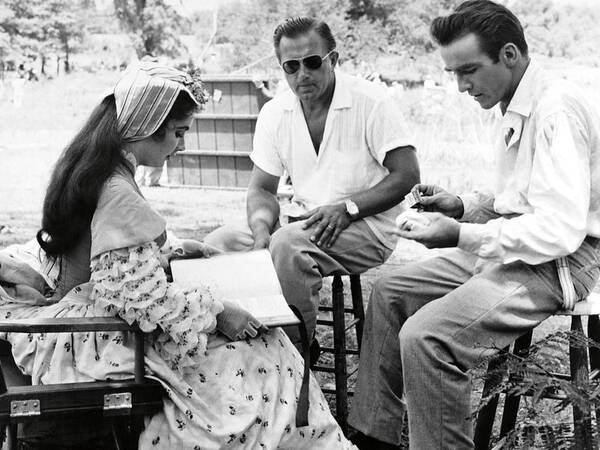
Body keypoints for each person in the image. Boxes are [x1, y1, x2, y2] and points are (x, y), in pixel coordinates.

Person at [0, 62, 358, 449]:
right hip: (101, 334)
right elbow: (138, 299)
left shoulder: (94, 166)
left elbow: (111, 258)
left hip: (88, 314)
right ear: (146, 125)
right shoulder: (116, 189)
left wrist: (169, 253)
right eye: (178, 132)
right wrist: (220, 311)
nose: (182, 145)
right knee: (268, 351)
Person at [348, 1, 600, 449]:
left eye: (468, 70)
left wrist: (461, 235)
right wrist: (461, 205)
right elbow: (518, 201)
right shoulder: (515, 102)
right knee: (390, 292)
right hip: (520, 246)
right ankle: (373, 436)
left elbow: (560, 229)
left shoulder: (555, 110)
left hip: (562, 261)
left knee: (428, 338)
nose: (461, 86)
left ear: (509, 54)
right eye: (452, 74)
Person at [206, 17, 419, 349]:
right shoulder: (276, 113)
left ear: (332, 60)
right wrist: (261, 229)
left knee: (289, 246)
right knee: (219, 243)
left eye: (312, 62)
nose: (302, 74)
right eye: (291, 66)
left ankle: (291, 353)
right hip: (304, 220)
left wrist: (349, 209)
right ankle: (243, 348)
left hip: (368, 225)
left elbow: (407, 175)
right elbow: (262, 188)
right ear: (282, 68)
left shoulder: (370, 101)